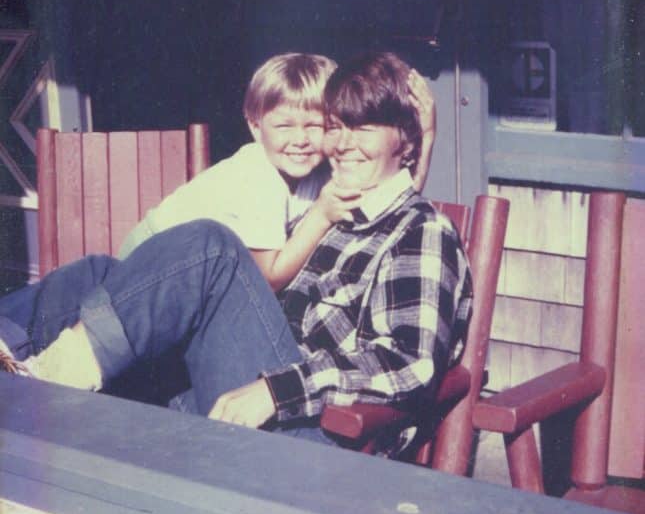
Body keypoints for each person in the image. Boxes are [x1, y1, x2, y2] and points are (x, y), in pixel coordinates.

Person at [0, 52, 470, 455]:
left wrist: (275, 391)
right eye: (337, 126)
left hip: (312, 437)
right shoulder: (338, 210)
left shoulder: (424, 231)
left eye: (363, 128)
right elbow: (386, 190)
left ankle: (46, 383)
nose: (342, 143)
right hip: (238, 395)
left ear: (403, 141)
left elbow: (412, 362)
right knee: (106, 273)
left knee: (212, 247)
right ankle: (11, 349)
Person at [118, 52, 436, 292]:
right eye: (284, 126)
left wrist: (427, 135)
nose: (299, 140)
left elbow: (392, 201)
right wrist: (321, 216)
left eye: (316, 126)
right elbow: (268, 279)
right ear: (256, 127)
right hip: (151, 266)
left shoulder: (322, 172)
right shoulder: (258, 177)